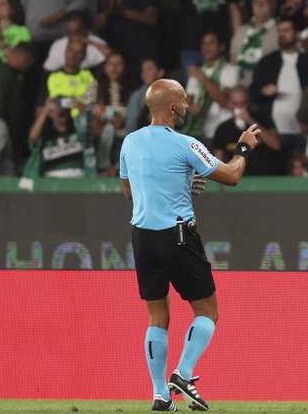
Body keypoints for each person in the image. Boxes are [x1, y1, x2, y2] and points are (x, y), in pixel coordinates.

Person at [119, 78, 260, 411]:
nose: (187, 105)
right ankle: (183, 372)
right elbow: (232, 176)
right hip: (178, 236)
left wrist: (178, 183)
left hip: (142, 238)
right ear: (172, 107)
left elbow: (129, 192)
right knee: (208, 311)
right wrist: (243, 148)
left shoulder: (130, 142)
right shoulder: (185, 143)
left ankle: (159, 395)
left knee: (157, 316)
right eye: (184, 100)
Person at [249, 19, 308, 153]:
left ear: (296, 34)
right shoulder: (267, 62)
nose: (282, 35)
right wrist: (263, 92)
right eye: (279, 31)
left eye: (286, 31)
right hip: (273, 133)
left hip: (304, 132)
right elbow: (252, 93)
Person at [211, 86, 284, 175]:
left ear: (248, 103)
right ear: (230, 104)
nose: (239, 107)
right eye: (235, 104)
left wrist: (251, 121)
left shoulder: (262, 120)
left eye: (243, 104)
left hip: (265, 178)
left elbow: (276, 145)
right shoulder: (223, 129)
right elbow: (218, 162)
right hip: (238, 180)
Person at [184, 32, 240, 142]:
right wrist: (191, 108)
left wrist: (203, 78)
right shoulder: (198, 72)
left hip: (221, 131)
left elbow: (224, 101)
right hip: (197, 132)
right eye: (204, 43)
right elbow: (187, 100)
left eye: (211, 43)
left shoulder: (231, 70)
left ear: (222, 47)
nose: (206, 47)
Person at [229, 0, 278, 85]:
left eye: (265, 1)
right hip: (241, 87)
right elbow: (233, 60)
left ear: (273, 5)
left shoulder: (280, 30)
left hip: (267, 88)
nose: (259, 5)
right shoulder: (241, 31)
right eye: (256, 1)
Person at [44, 11, 111, 72]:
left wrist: (90, 42)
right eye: (70, 32)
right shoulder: (58, 44)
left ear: (85, 28)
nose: (74, 36)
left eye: (77, 32)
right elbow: (49, 69)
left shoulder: (99, 44)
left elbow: (111, 61)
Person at [126, 58, 165, 133]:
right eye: (143, 70)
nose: (145, 73)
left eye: (149, 69)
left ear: (160, 72)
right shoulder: (137, 96)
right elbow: (131, 123)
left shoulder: (171, 93)